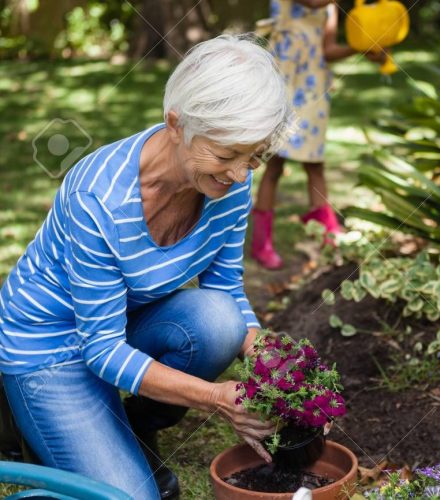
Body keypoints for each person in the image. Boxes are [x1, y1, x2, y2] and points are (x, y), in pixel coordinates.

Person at [0, 35, 291, 499]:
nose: (240, 174)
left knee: (219, 320)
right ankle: (26, 414)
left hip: (121, 322)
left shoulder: (230, 184)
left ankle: (131, 425)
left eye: (253, 155)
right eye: (225, 155)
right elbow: (100, 350)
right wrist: (217, 399)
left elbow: (228, 292)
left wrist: (270, 359)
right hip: (51, 346)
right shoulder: (97, 198)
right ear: (176, 124)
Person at [251, 0, 386, 269]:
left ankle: (328, 235)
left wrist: (359, 47)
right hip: (283, 80)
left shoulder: (330, 7)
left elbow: (328, 49)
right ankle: (261, 242)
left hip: (313, 86)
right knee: (275, 163)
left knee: (315, 163)